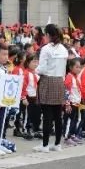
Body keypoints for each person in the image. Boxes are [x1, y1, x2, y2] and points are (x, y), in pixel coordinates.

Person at [33, 23, 67, 152]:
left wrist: (34, 71)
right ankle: (57, 144)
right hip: (59, 81)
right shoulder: (63, 49)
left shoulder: (46, 49)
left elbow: (42, 68)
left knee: (47, 115)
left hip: (47, 80)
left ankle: (45, 145)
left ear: (47, 35)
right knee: (58, 115)